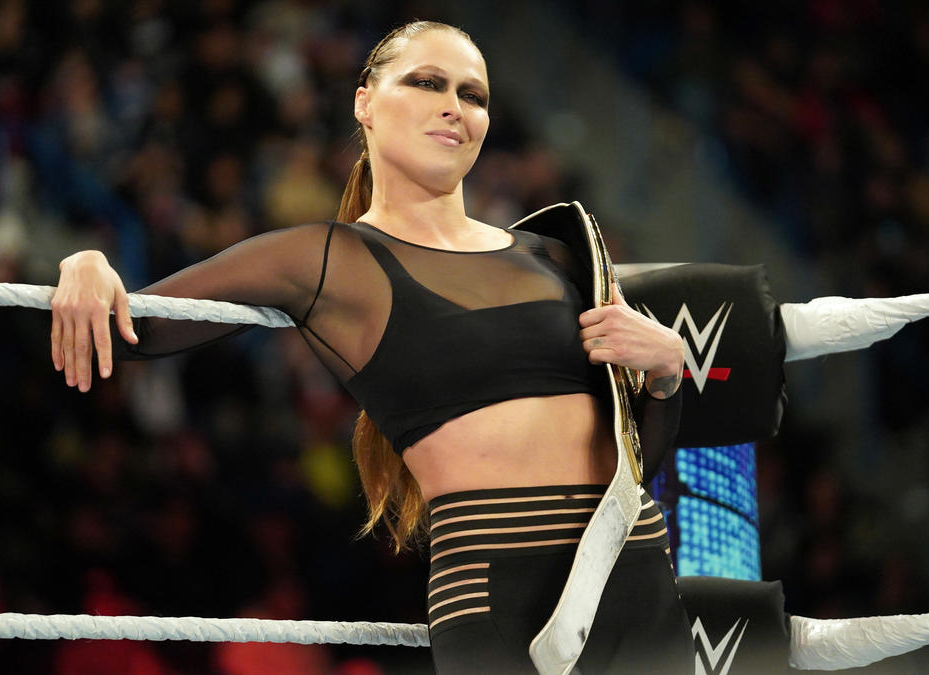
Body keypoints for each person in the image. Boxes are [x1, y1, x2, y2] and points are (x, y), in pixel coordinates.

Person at [50, 20, 693, 673]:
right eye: (427, 83)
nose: (454, 106)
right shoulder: (327, 260)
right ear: (364, 102)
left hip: (637, 574)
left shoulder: (557, 254)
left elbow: (638, 464)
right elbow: (130, 330)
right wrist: (86, 262)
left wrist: (667, 373)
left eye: (473, 94)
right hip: (502, 603)